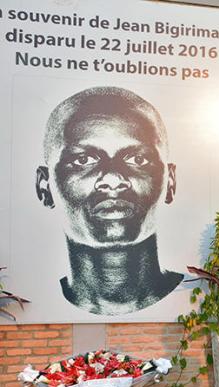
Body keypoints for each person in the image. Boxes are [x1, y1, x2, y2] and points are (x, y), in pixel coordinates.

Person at [35, 86, 183, 316]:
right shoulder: (39, 304)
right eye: (83, 159)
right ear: (45, 187)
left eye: (138, 158)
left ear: (170, 181)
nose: (113, 179)